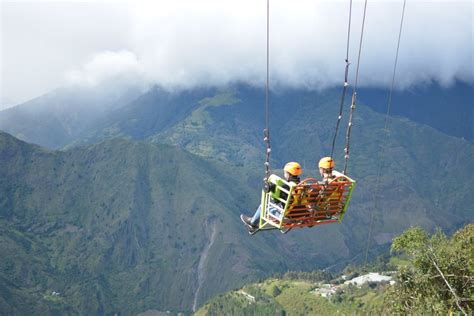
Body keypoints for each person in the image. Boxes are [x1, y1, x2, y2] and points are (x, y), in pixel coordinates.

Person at [240, 162, 302, 233]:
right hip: (298, 216)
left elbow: (276, 201)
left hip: (286, 217)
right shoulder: (302, 186)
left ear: (288, 173)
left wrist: (271, 188)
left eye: (285, 172)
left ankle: (252, 223)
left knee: (263, 206)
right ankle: (252, 222)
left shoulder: (286, 187)